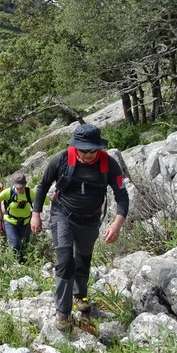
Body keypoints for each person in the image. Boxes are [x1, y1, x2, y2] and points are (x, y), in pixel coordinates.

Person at [30, 123, 129, 331]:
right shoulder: (61, 159)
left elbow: (122, 195)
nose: (89, 154)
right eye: (84, 150)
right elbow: (42, 186)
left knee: (83, 260)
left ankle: (80, 296)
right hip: (62, 215)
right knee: (65, 260)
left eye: (93, 149)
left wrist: (117, 223)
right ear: (75, 146)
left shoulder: (108, 164)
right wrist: (36, 214)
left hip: (90, 220)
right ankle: (63, 313)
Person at [0, 174, 42, 262]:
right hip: (10, 222)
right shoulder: (8, 192)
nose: (19, 189)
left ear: (25, 184)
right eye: (17, 187)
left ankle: (23, 264)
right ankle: (14, 263)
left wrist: (43, 194)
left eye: (21, 187)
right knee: (15, 244)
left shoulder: (30, 193)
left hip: (25, 223)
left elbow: (46, 202)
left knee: (24, 244)